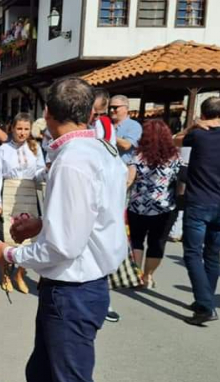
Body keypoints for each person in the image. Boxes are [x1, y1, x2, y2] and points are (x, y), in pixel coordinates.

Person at [0, 78, 128, 382]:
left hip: (72, 291)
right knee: (44, 377)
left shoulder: (73, 161)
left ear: (47, 114)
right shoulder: (100, 148)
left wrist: (10, 253)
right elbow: (86, 218)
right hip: (81, 287)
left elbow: (62, 247)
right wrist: (42, 224)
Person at [172, 97, 220, 326]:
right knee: (212, 255)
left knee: (192, 253)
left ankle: (206, 305)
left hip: (199, 202)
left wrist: (192, 125)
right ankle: (204, 300)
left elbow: (175, 141)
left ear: (202, 112)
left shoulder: (197, 136)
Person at [0, 113, 46, 294]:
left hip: (28, 194)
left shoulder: (36, 148)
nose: (22, 133)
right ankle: (5, 273)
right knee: (7, 236)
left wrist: (44, 174)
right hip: (9, 193)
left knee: (29, 238)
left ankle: (20, 273)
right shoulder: (3, 150)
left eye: (26, 129)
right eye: (19, 128)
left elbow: (39, 172)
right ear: (12, 128)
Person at [126, 120, 181, 289]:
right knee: (157, 243)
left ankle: (137, 276)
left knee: (136, 241)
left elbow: (128, 180)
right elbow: (179, 183)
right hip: (164, 207)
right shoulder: (174, 157)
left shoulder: (138, 156)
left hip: (137, 206)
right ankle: (148, 277)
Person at [92, 88, 121, 322]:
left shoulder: (99, 125)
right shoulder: (107, 124)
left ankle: (101, 303)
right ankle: (103, 303)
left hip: (99, 184)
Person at [109, 94, 142, 164]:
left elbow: (126, 145)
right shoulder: (105, 124)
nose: (111, 110)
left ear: (126, 108)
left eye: (115, 107)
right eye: (110, 107)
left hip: (124, 169)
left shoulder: (134, 126)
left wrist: (106, 135)